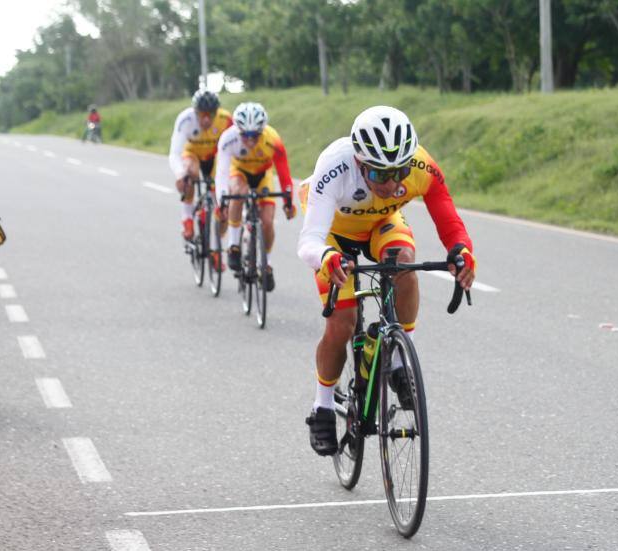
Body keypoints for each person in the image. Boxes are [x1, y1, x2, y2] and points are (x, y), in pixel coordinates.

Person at [297, 106, 476, 455]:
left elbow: (450, 221)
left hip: (381, 224)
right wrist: (327, 257)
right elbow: (309, 242)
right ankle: (322, 406)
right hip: (333, 235)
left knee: (404, 263)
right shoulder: (335, 167)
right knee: (342, 323)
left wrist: (462, 252)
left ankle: (397, 362)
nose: (392, 183)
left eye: (400, 172)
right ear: (360, 163)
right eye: (380, 174)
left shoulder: (422, 166)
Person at [214, 102, 295, 290]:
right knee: (238, 193)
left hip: (263, 175)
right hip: (239, 173)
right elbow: (222, 174)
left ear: (262, 131)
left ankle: (266, 264)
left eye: (255, 136)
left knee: (267, 222)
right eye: (245, 135)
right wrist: (222, 202)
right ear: (238, 130)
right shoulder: (228, 138)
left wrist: (288, 202)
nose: (250, 141)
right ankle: (234, 245)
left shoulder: (273, 139)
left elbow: (284, 174)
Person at [168, 89, 233, 241]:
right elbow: (175, 153)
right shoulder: (185, 119)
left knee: (224, 204)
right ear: (195, 111)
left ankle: (218, 244)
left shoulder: (225, 119)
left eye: (211, 114)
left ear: (216, 112)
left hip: (214, 157)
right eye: (202, 114)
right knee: (190, 174)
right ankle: (187, 219)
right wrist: (180, 174)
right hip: (192, 154)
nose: (206, 119)